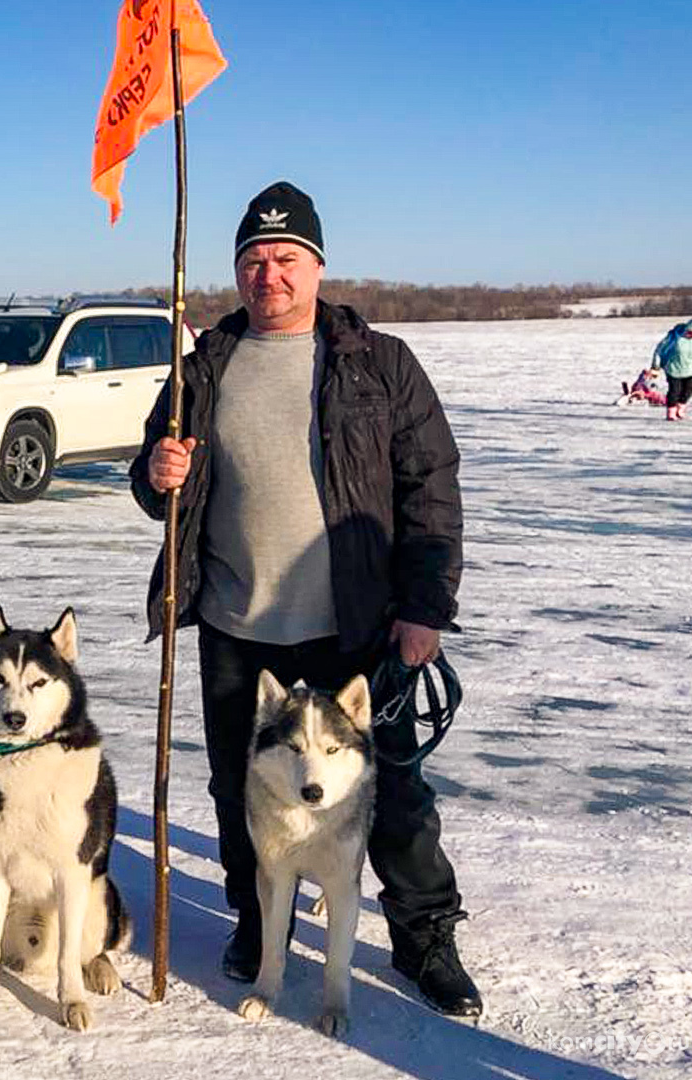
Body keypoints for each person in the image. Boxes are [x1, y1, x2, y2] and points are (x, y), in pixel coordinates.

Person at [129, 181, 482, 1017]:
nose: (269, 274)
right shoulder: (202, 368)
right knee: (237, 787)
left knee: (390, 790)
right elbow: (155, 478)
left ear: (317, 267)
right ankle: (260, 921)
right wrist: (156, 474)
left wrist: (425, 607)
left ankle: (424, 937)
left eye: (287, 258)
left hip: (351, 628)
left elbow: (430, 485)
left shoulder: (378, 363)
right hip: (234, 626)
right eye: (254, 259)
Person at [654, 317, 692, 420]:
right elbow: (660, 350)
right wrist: (656, 365)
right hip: (673, 369)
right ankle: (671, 412)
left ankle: (680, 408)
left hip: (691, 370)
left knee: (687, 392)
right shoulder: (675, 337)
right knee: (674, 391)